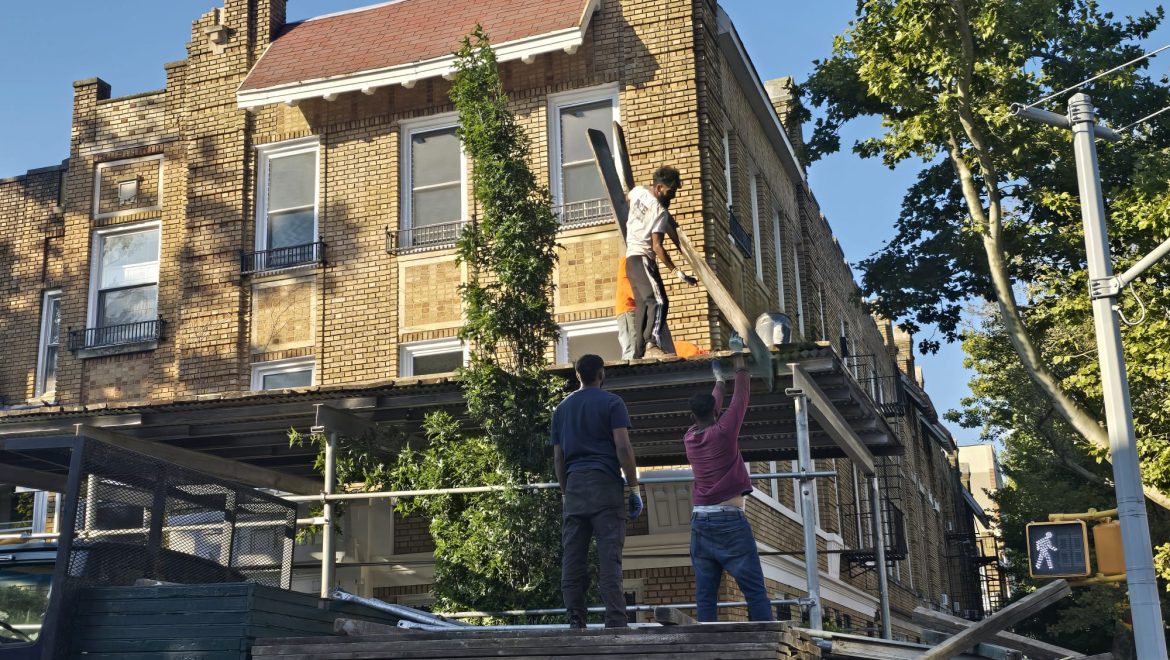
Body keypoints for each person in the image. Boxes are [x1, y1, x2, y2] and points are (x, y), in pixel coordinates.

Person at [683, 337, 774, 622]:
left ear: (692, 415)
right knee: (754, 589)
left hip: (700, 521)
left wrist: (719, 382)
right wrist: (738, 358)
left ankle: (706, 646)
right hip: (729, 521)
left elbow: (715, 408)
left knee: (705, 594)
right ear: (715, 413)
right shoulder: (723, 432)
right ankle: (764, 638)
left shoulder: (689, 438)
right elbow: (742, 397)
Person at [551, 354, 643, 628]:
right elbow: (623, 448)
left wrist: (567, 493)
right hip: (605, 486)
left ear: (577, 375)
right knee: (609, 557)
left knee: (573, 557)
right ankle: (615, 619)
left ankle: (576, 620)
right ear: (601, 374)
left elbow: (558, 458)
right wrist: (634, 487)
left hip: (575, 487)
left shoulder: (561, 409)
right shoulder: (613, 403)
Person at [625, 166, 697, 359]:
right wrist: (677, 273)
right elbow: (657, 247)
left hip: (631, 260)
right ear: (658, 188)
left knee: (643, 305)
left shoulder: (639, 191)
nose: (672, 196)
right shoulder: (660, 211)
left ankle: (639, 352)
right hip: (643, 257)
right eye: (670, 192)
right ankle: (652, 344)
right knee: (659, 301)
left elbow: (628, 197)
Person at [614, 257, 637, 359]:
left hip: (629, 309)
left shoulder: (630, 261)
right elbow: (627, 286)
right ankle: (630, 369)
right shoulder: (627, 262)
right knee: (631, 347)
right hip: (627, 309)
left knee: (632, 345)